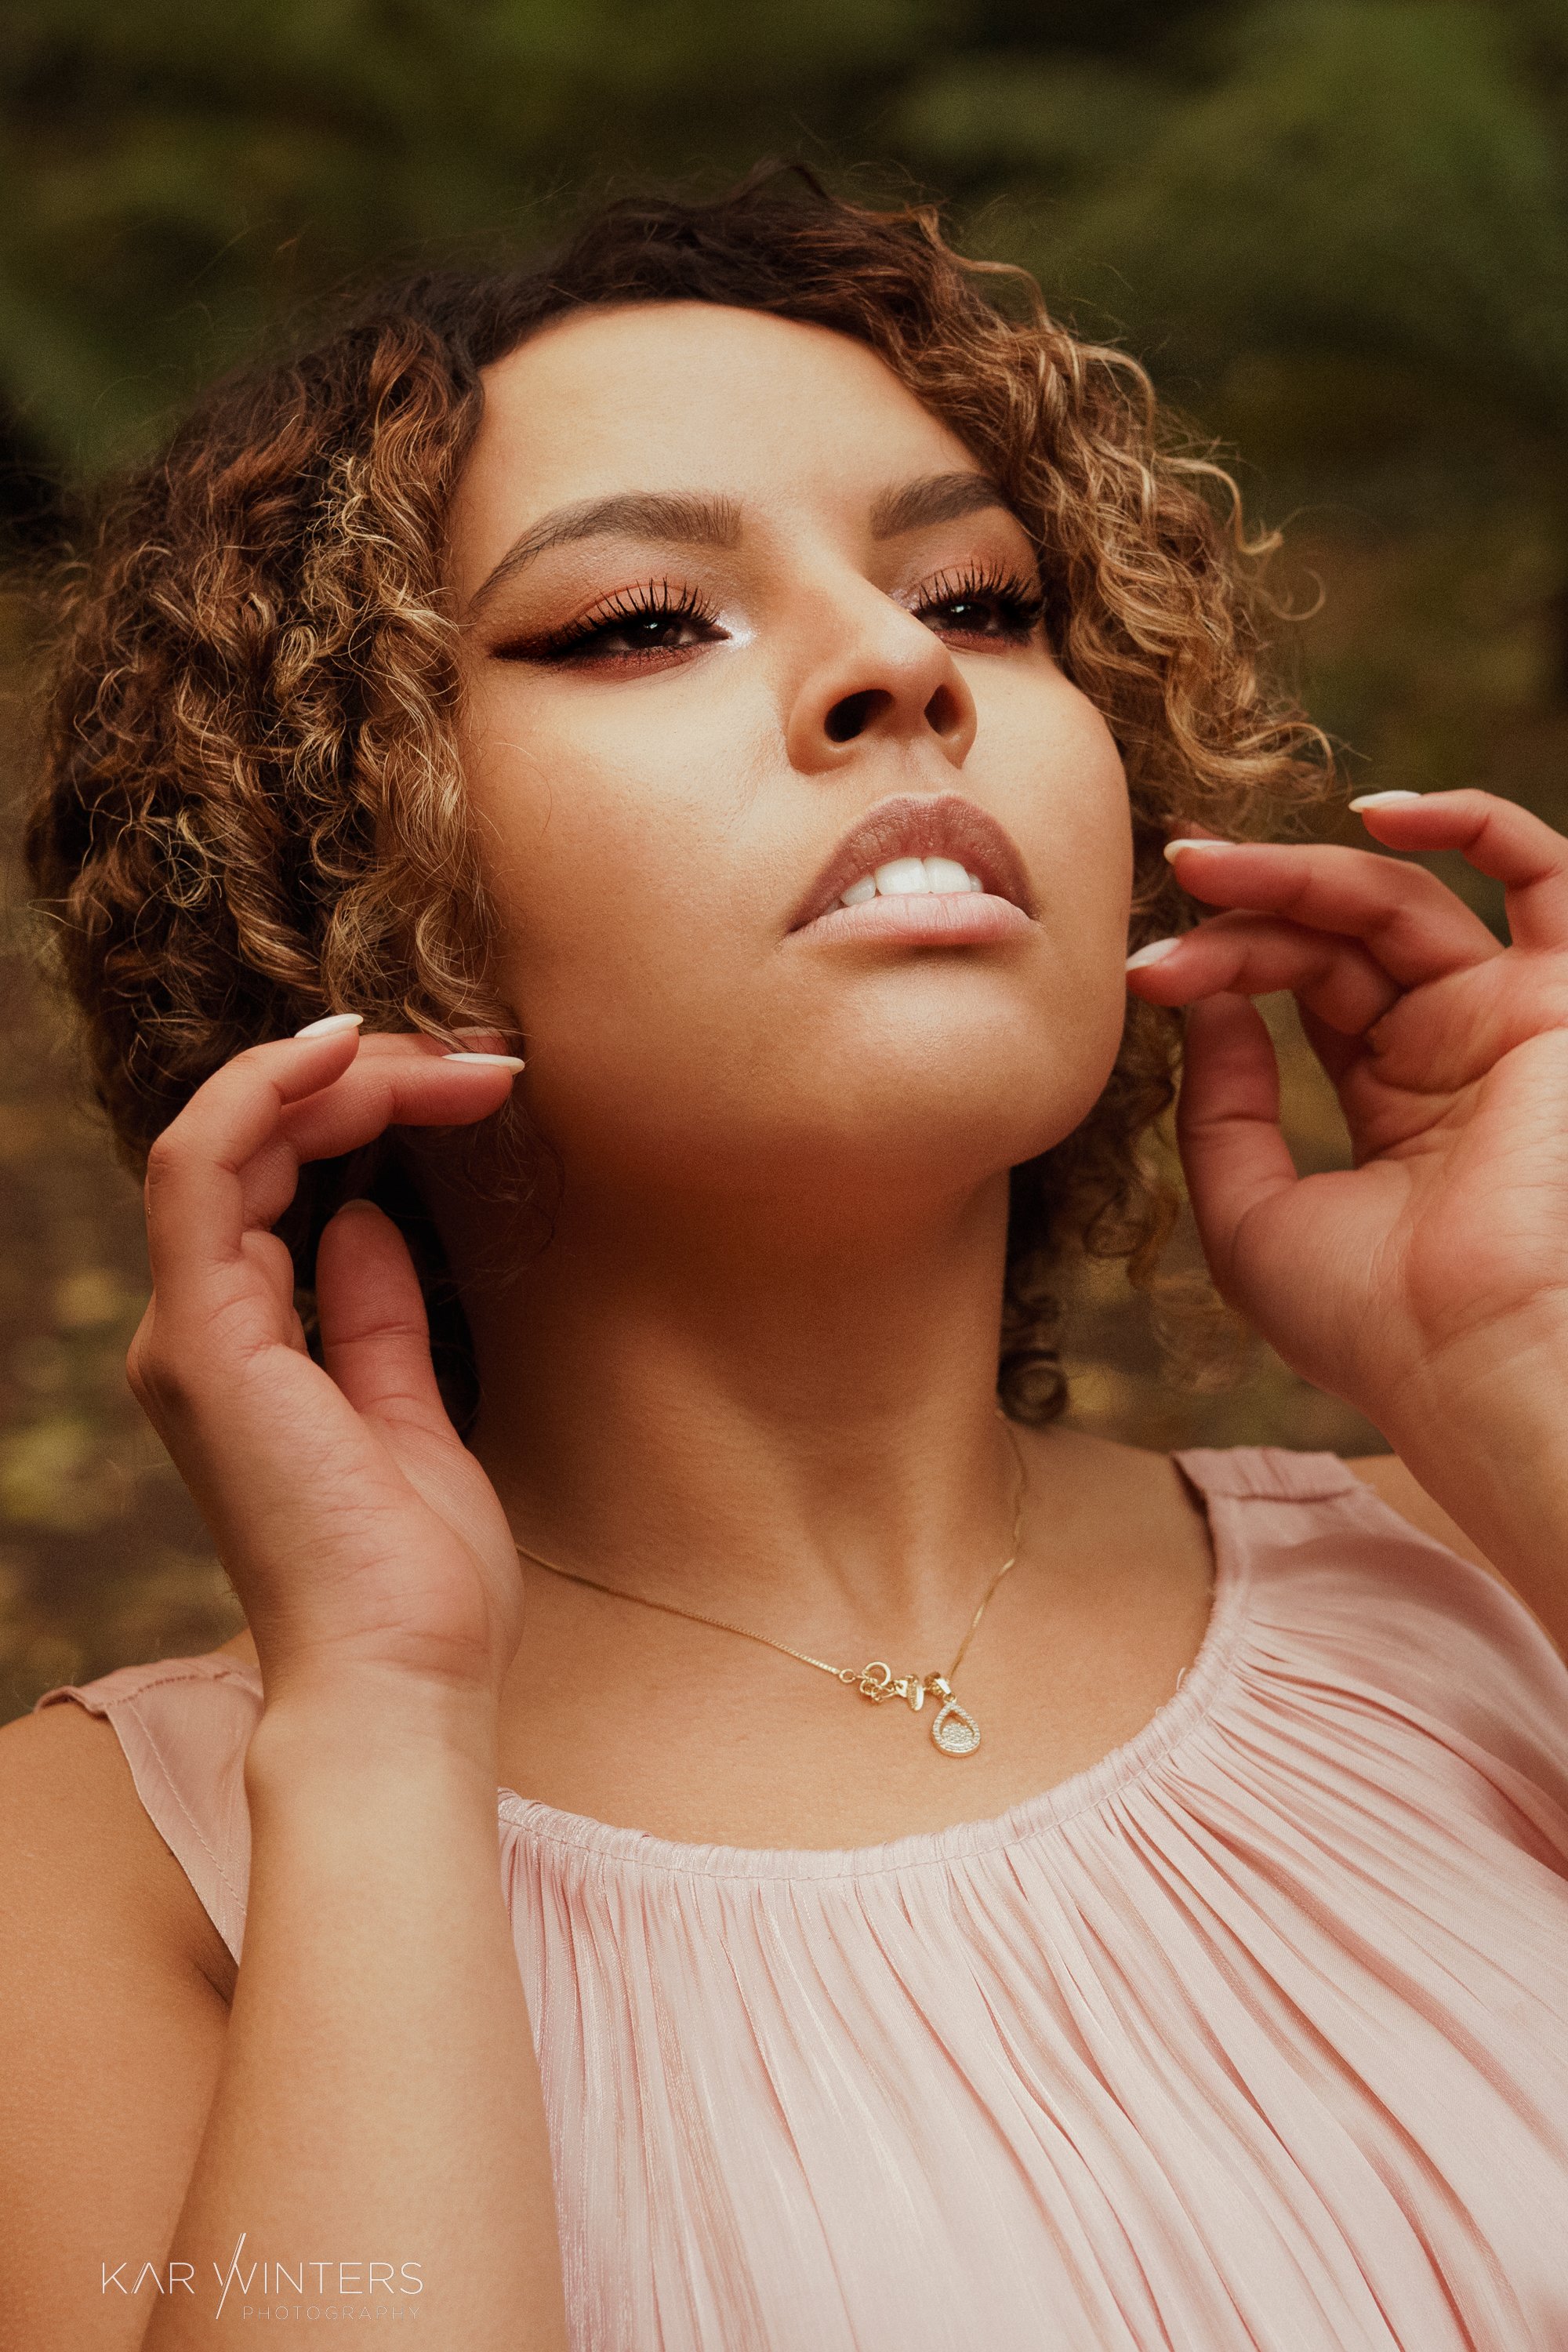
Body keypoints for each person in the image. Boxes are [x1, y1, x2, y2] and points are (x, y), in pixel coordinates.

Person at [2, 174, 1566, 2350]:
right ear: (335, 860)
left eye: (984, 598)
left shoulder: (1495, 1571)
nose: (904, 664)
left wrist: (1525, 1362)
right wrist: (380, 1733)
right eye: (644, 619)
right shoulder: (101, 1876)